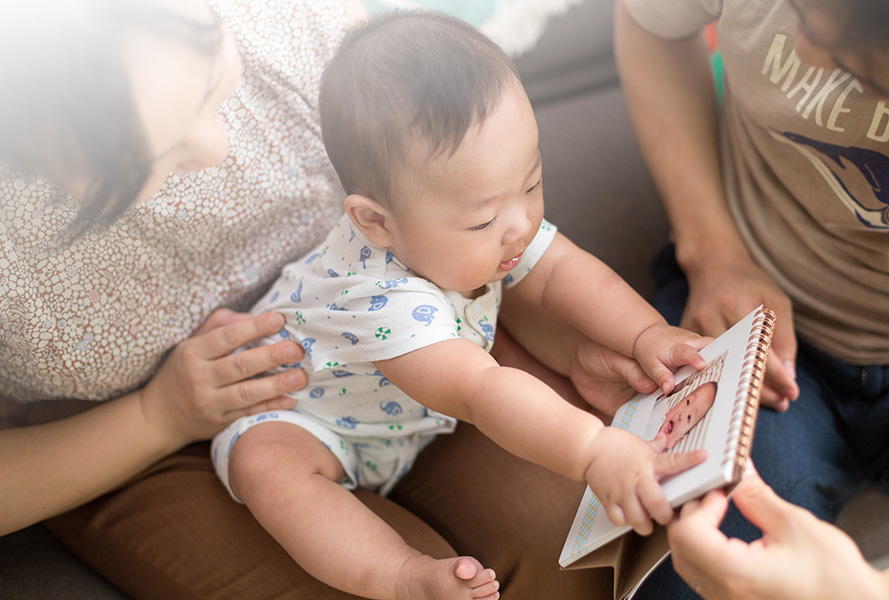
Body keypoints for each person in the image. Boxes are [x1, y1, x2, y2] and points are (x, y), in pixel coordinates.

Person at [0, 1, 655, 598]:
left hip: (389, 343)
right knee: (357, 550)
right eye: (155, 152)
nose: (218, 146)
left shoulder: (321, 40)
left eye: (209, 82)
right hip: (145, 438)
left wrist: (571, 338)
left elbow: (492, 240)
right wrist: (157, 416)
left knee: (577, 543)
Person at [209, 11, 713, 599]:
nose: (522, 224)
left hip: (404, 417)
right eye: (482, 217)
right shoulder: (378, 298)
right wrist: (595, 450)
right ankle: (398, 575)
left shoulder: (496, 224)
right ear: (376, 222)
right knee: (268, 467)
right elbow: (483, 390)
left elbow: (565, 275)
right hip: (306, 415)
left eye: (531, 181)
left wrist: (645, 336)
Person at [612, 0, 889, 597]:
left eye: (859, 60)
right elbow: (648, 23)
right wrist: (711, 251)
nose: (804, 52)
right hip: (742, 302)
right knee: (676, 572)